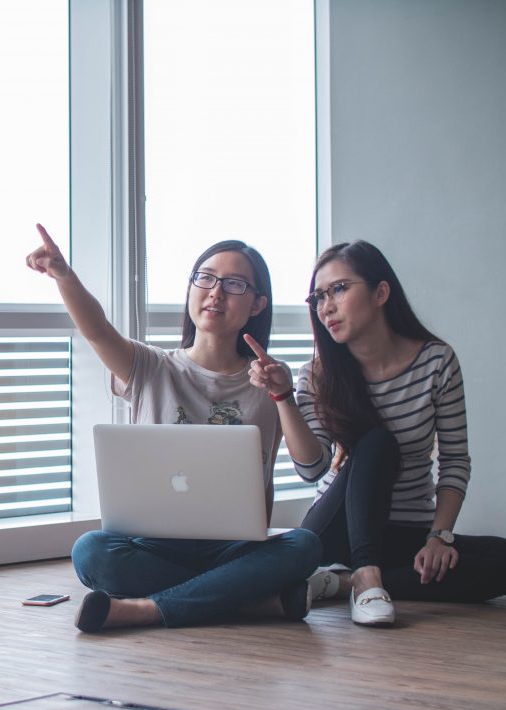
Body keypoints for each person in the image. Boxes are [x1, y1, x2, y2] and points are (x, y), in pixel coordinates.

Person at [26, 224, 321, 632]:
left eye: (235, 284)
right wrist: (63, 275)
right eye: (206, 278)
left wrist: (283, 396)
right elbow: (96, 330)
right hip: (152, 545)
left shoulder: (268, 379)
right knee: (91, 551)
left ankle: (146, 609)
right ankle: (247, 601)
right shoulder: (150, 367)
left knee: (304, 545)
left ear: (257, 305)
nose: (216, 292)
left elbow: (312, 464)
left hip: (234, 549)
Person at [248, 240, 506, 626]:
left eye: (340, 289)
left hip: (404, 531)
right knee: (378, 443)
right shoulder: (317, 373)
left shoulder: (436, 361)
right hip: (336, 528)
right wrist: (282, 397)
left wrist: (439, 536)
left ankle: (338, 584)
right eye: (318, 296)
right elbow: (313, 470)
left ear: (380, 292)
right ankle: (365, 575)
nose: (326, 306)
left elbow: (455, 460)